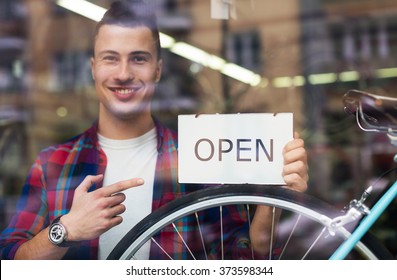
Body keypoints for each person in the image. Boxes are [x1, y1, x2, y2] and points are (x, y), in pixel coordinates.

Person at [0, 0, 308, 260]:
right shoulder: (53, 163)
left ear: (158, 70)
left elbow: (245, 259)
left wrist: (273, 198)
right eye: (111, 59)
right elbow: (10, 262)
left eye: (138, 59)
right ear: (93, 67)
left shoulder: (200, 155)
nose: (123, 73)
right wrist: (65, 230)